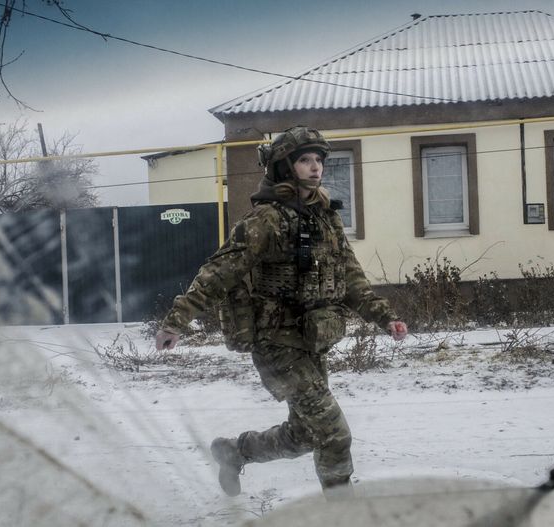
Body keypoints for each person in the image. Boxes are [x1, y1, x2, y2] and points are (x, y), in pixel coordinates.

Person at [154, 125, 408, 497]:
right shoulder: (266, 220)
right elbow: (219, 272)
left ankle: (234, 452)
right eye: (305, 160)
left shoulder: (326, 218)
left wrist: (385, 317)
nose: (315, 167)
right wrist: (176, 320)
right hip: (276, 344)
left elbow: (350, 278)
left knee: (305, 434)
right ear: (285, 166)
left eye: (319, 159)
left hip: (311, 342)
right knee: (334, 434)